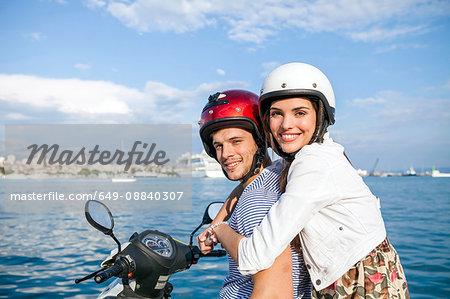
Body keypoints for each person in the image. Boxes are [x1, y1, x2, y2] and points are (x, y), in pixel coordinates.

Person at [209, 63, 410, 298]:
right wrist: (221, 214)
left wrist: (220, 229)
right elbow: (254, 181)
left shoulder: (312, 164)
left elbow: (255, 257)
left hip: (361, 287)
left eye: (300, 112)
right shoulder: (301, 157)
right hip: (348, 279)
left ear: (320, 114)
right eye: (276, 113)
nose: (286, 124)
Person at [197, 89, 311, 298]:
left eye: (236, 141)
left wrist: (221, 229)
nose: (226, 154)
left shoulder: (256, 205)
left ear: (260, 140)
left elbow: (274, 294)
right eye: (219, 146)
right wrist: (216, 224)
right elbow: (241, 191)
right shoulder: (277, 173)